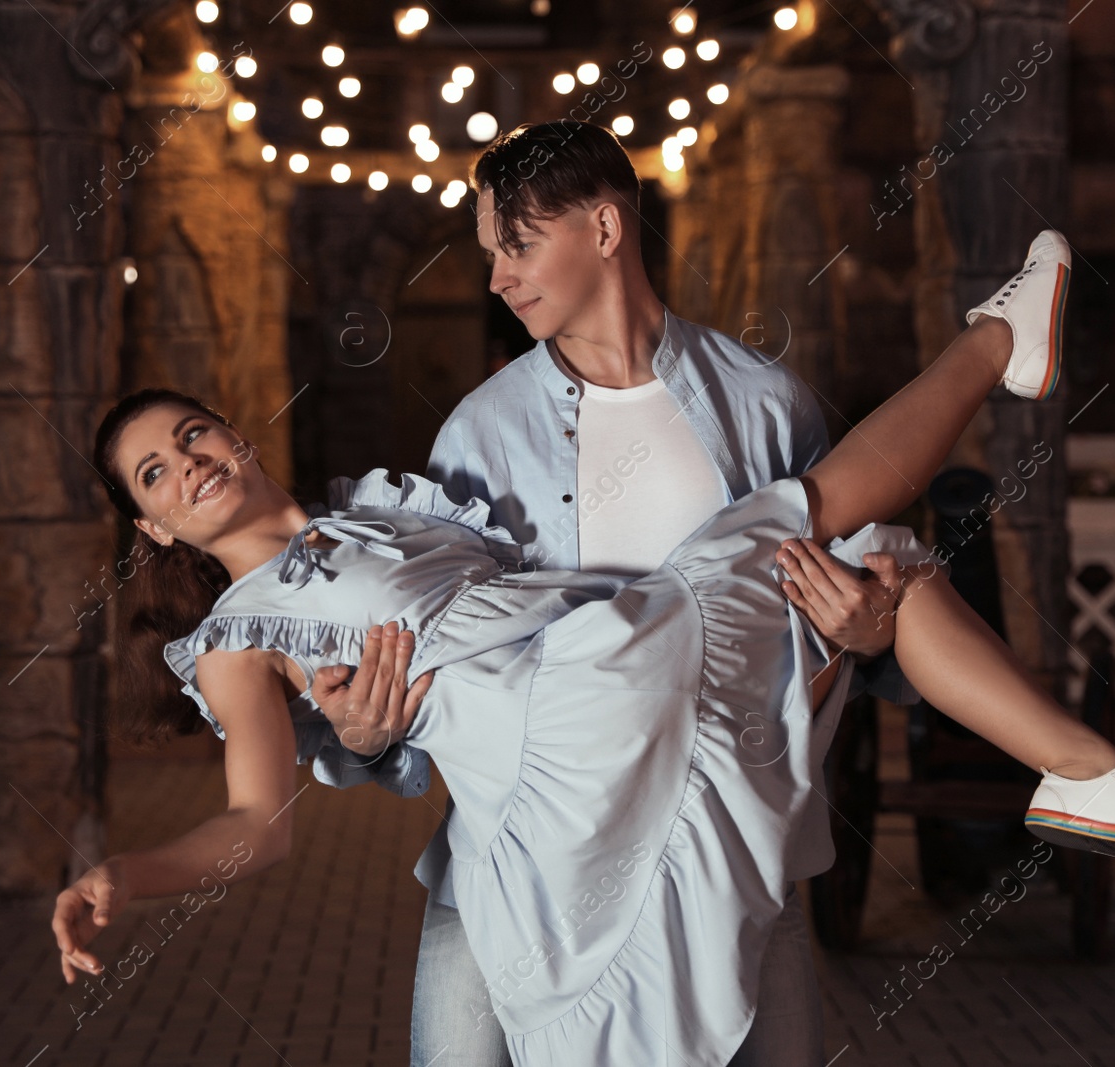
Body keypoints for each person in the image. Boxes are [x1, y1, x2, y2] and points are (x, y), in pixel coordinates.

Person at [51, 229, 1115, 1067]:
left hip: (610, 673)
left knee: (862, 550)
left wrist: (856, 636)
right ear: (154, 523)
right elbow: (259, 823)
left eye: (192, 429)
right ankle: (999, 343)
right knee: (806, 520)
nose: (190, 459)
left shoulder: (398, 499)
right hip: (567, 729)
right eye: (156, 473)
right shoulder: (235, 634)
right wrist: (128, 876)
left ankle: (1089, 775)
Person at [316, 120, 912, 1067]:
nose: (496, 280)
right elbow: (440, 659)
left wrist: (871, 632)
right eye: (488, 254)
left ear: (604, 229)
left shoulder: (766, 403)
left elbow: (847, 606)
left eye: (516, 245)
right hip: (513, 875)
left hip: (728, 857)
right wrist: (366, 737)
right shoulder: (479, 435)